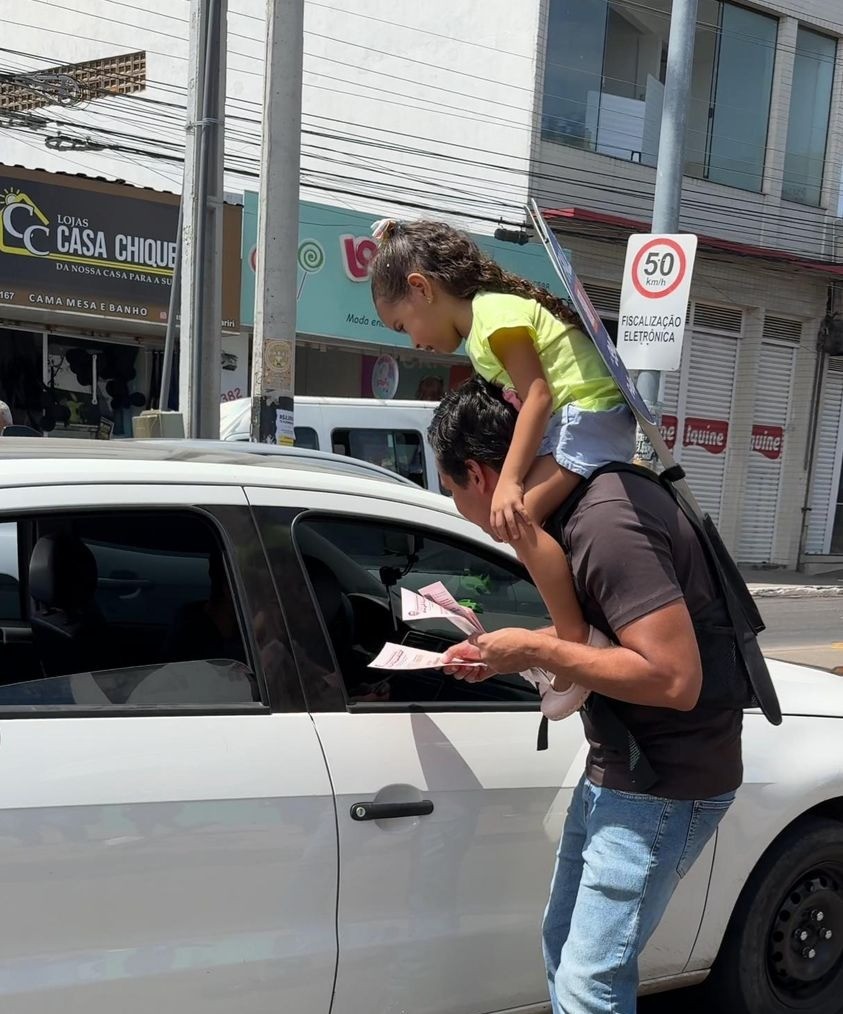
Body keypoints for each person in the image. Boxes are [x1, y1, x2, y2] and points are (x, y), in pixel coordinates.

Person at [428, 377, 742, 1014]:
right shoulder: (573, 511)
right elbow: (609, 637)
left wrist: (534, 648)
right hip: (623, 767)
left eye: (451, 490)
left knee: (588, 984)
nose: (456, 506)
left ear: (477, 475)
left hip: (663, 781)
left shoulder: (604, 521)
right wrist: (504, 653)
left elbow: (674, 679)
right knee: (564, 947)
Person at [370, 218, 635, 649]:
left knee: (517, 518)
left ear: (421, 288)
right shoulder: (486, 324)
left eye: (403, 326)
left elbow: (538, 396)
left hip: (589, 415)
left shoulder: (492, 318)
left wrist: (509, 482)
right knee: (517, 522)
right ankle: (573, 628)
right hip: (577, 419)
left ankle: (572, 638)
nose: (412, 342)